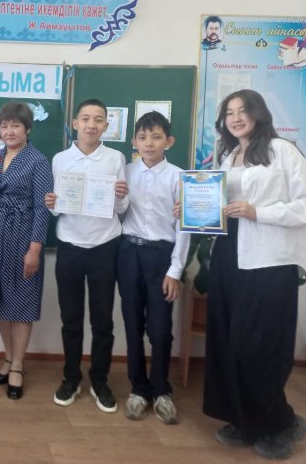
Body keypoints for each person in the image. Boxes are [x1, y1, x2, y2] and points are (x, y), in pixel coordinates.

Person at [203, 89, 306, 460]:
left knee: (258, 345)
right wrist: (193, 209)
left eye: (243, 110)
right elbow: (221, 207)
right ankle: (244, 420)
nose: (235, 118)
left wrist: (260, 212)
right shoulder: (227, 157)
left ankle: (280, 422)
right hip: (229, 255)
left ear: (259, 113)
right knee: (228, 341)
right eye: (229, 112)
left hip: (269, 260)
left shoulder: (282, 151)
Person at [45, 99, 129, 412]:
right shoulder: (60, 159)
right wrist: (51, 203)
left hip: (105, 246)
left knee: (102, 320)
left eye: (98, 119)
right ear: (75, 123)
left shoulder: (115, 158)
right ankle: (71, 378)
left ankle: (100, 380)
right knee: (71, 319)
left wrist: (121, 197)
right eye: (85, 119)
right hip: (69, 245)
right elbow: (56, 209)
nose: (91, 125)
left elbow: (122, 208)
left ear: (106, 125)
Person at [117, 111, 189, 425]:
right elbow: (117, 213)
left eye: (156, 137)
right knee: (132, 324)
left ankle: (161, 390)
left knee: (160, 329)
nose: (149, 143)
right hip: (129, 253)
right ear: (134, 141)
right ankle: (138, 388)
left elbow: (185, 227)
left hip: (162, 257)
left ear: (169, 141)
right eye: (143, 137)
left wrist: (175, 270)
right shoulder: (125, 172)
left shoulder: (179, 177)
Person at [0, 101, 52, 400]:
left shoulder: (39, 161)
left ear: (27, 128)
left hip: (23, 237)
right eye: (4, 126)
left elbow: (43, 210)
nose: (9, 131)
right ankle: (8, 358)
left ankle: (19, 365)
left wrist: (35, 249)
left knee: (21, 301)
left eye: (16, 125)